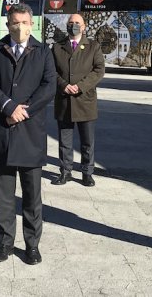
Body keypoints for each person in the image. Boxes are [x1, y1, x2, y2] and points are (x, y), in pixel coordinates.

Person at [0, 3, 56, 265]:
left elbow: (49, 86)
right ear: (8, 24)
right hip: (3, 129)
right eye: (15, 22)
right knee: (4, 194)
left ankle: (32, 245)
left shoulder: (43, 51)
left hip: (30, 132)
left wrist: (25, 110)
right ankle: (5, 243)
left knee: (32, 195)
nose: (19, 27)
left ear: (32, 24)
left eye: (24, 22)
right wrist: (8, 106)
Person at [51, 14, 105, 187]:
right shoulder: (57, 47)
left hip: (85, 101)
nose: (73, 25)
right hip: (64, 100)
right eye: (71, 22)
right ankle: (65, 171)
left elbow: (99, 70)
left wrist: (81, 86)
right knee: (64, 141)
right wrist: (63, 85)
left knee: (87, 141)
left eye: (77, 23)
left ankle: (87, 173)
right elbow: (51, 71)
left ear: (84, 26)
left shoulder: (93, 46)